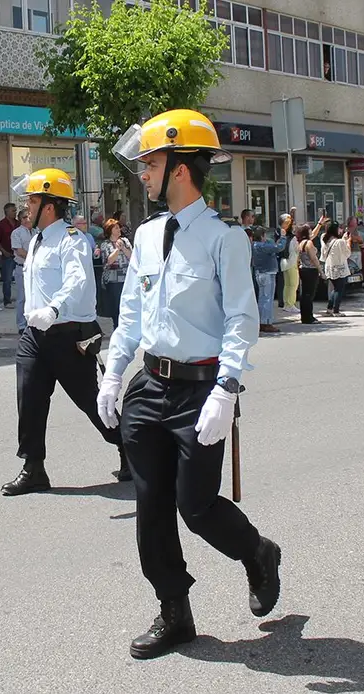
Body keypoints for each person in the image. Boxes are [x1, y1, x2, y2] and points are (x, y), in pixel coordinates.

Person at [98, 109, 281, 659]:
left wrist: (226, 389)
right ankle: (173, 611)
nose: (143, 175)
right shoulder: (148, 235)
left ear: (181, 168)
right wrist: (113, 371)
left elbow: (240, 320)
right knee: (150, 506)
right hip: (150, 385)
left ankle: (257, 553)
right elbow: (131, 313)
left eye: (151, 164)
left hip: (201, 389)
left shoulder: (225, 239)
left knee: (195, 506)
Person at [3, 168, 130, 496]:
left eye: (31, 200)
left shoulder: (71, 240)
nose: (26, 207)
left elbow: (78, 281)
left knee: (90, 401)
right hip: (35, 334)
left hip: (68, 333)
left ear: (48, 205)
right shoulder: (36, 241)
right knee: (28, 397)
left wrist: (54, 308)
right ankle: (33, 467)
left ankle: (129, 446)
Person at [99, 218, 132, 328]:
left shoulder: (125, 241)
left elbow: (132, 257)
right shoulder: (105, 244)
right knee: (116, 307)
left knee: (127, 306)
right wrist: (117, 250)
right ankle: (117, 327)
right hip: (113, 280)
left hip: (126, 278)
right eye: (116, 228)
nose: (119, 230)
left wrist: (123, 247)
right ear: (110, 230)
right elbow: (108, 261)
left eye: (119, 228)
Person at [10, 207, 34, 333]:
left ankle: (33, 322)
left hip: (35, 269)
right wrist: (35, 258)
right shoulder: (16, 233)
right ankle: (21, 325)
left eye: (29, 216)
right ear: (20, 220)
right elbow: (19, 251)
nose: (27, 219)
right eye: (24, 217)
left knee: (35, 297)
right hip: (22, 268)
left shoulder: (36, 232)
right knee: (22, 298)